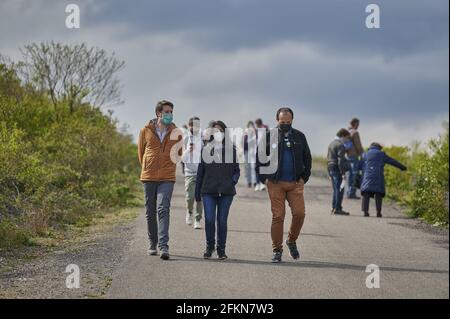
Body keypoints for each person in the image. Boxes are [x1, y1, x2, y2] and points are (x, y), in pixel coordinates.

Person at [256, 108, 312, 263]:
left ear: (292, 120)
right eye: (282, 122)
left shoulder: (300, 137)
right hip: (275, 184)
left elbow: (307, 158)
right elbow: (259, 158)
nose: (285, 124)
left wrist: (303, 178)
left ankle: (291, 241)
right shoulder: (269, 137)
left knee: (300, 214)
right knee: (278, 216)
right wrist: (264, 179)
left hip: (295, 183)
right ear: (277, 120)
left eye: (288, 122)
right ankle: (277, 250)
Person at [137, 100, 183, 260]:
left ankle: (164, 246)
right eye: (167, 112)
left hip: (167, 177)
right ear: (158, 113)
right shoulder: (145, 130)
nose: (170, 114)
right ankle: (152, 243)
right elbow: (141, 153)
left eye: (171, 112)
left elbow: (179, 154)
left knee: (163, 208)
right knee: (150, 211)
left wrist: (169, 166)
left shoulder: (177, 132)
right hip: (149, 176)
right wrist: (148, 166)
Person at [195, 121, 240, 260]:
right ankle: (209, 247)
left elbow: (236, 170)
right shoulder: (205, 149)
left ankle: (221, 250)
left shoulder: (231, 150)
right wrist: (197, 193)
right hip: (208, 191)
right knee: (209, 220)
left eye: (220, 130)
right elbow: (200, 172)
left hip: (226, 192)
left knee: (221, 221)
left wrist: (232, 181)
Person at [360, 142, 407, 217]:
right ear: (379, 147)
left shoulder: (365, 154)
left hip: (367, 176)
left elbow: (359, 165)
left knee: (366, 193)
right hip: (378, 177)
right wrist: (402, 167)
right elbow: (392, 161)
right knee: (378, 193)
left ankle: (365, 211)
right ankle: (378, 212)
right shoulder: (381, 154)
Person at [182, 116, 203, 229]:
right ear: (189, 126)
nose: (195, 128)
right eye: (193, 126)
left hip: (201, 172)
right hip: (189, 172)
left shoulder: (203, 137)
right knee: (190, 197)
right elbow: (182, 158)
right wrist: (188, 150)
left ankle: (197, 219)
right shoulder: (185, 138)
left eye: (197, 126)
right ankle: (189, 212)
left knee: (199, 197)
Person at [327, 129, 352, 216]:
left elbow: (328, 158)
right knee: (340, 189)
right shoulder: (341, 145)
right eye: (347, 138)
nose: (347, 140)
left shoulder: (331, 143)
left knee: (335, 189)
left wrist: (328, 172)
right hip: (337, 167)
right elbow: (340, 160)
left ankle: (333, 207)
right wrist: (343, 172)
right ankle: (338, 208)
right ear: (343, 136)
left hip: (330, 166)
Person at [346, 118, 364, 199]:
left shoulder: (346, 132)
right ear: (355, 123)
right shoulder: (355, 132)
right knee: (354, 174)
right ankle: (352, 193)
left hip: (347, 156)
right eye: (358, 124)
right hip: (354, 156)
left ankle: (348, 192)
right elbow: (358, 145)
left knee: (349, 175)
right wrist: (362, 154)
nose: (358, 126)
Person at [254, 118, 269, 191]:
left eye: (256, 124)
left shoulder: (265, 129)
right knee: (257, 168)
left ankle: (262, 184)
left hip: (264, 150)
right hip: (257, 150)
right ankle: (257, 184)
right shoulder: (256, 130)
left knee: (263, 167)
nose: (256, 126)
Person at [243, 121, 257, 188]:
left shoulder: (255, 132)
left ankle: (254, 181)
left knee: (253, 167)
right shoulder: (245, 132)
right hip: (246, 151)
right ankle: (249, 181)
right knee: (247, 167)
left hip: (252, 151)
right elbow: (243, 142)